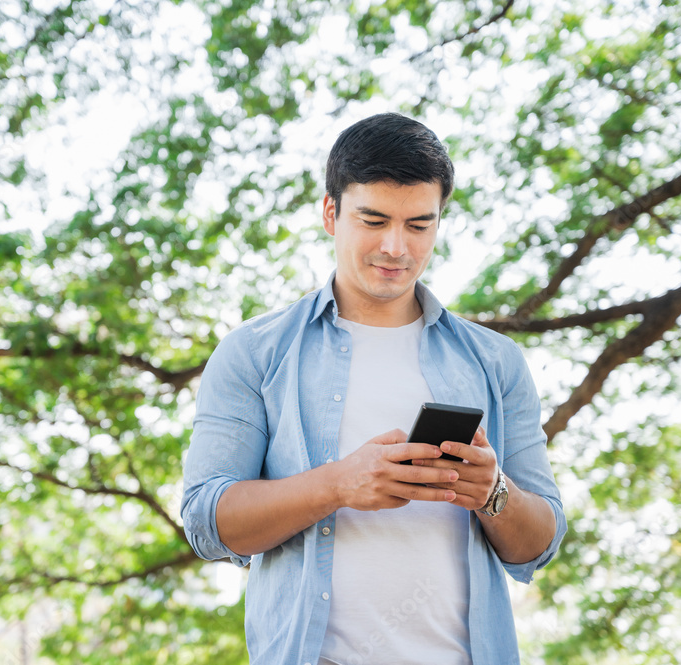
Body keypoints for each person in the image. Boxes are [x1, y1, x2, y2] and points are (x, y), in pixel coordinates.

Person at [180, 113, 566, 665]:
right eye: (374, 219)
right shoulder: (254, 353)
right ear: (331, 213)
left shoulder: (496, 361)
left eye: (418, 225)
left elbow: (539, 543)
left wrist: (493, 493)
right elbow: (206, 522)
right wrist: (338, 484)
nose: (396, 247)